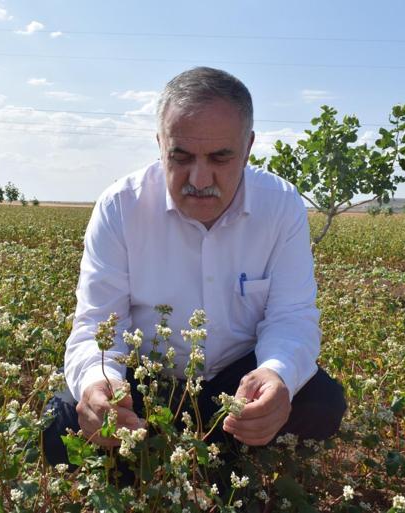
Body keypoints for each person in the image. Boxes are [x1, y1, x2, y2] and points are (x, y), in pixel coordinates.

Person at [43, 67, 346, 465]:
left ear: (249, 147)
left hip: (239, 382)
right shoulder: (120, 206)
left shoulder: (280, 205)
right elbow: (97, 322)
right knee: (58, 426)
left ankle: (206, 451)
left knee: (322, 403)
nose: (200, 178)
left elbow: (292, 316)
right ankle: (210, 455)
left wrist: (277, 375)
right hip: (149, 381)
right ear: (160, 144)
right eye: (181, 157)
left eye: (221, 157)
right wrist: (101, 386)